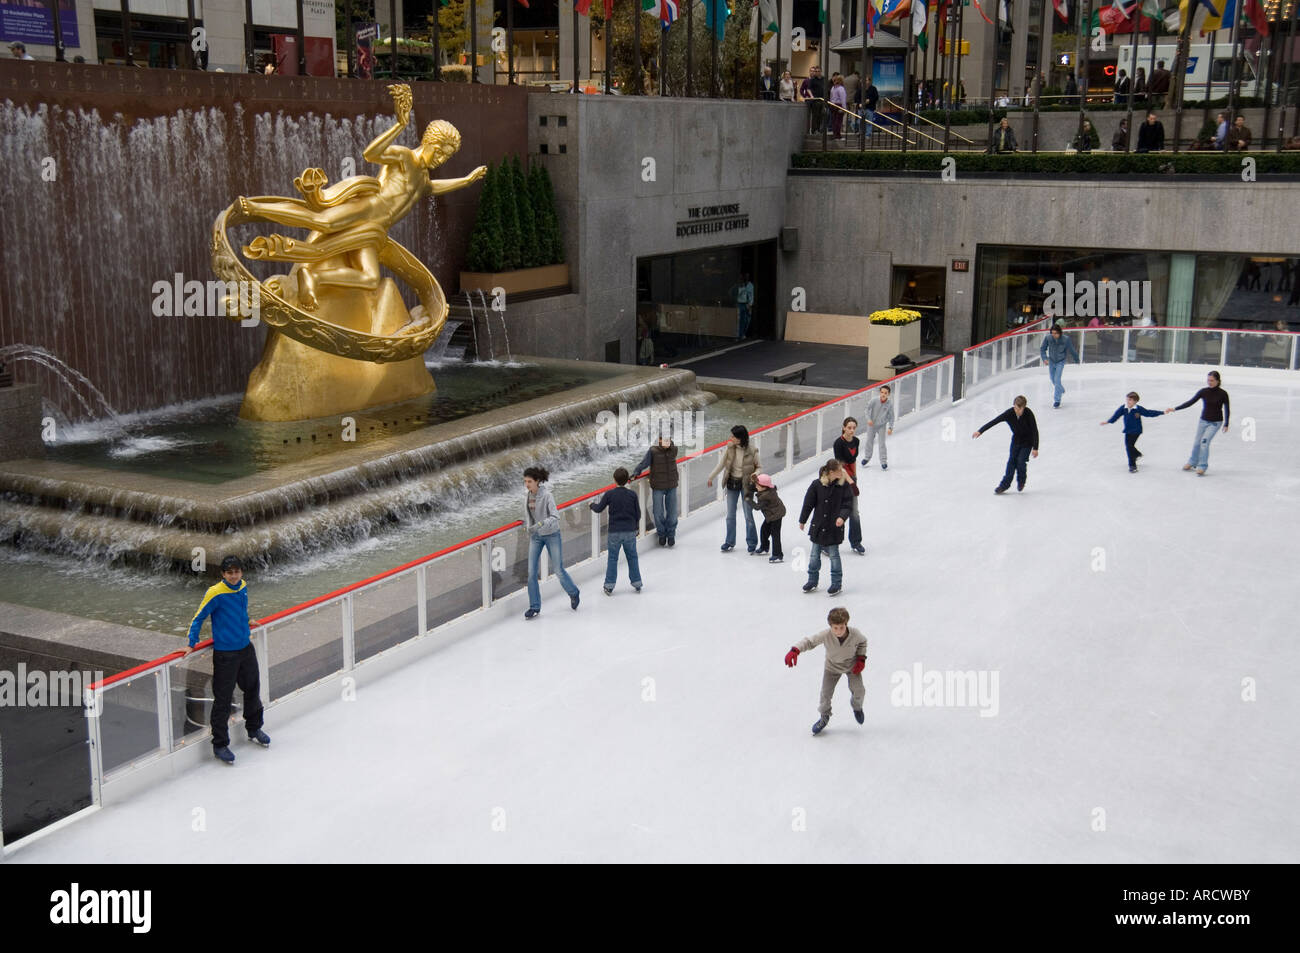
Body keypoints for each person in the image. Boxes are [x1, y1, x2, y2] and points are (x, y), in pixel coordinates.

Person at [238, 85, 486, 310]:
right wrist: (400, 125)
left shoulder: (422, 179)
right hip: (368, 208)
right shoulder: (404, 157)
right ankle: (253, 208)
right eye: (442, 151)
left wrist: (466, 181)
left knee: (369, 278)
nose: (442, 158)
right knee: (321, 221)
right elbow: (371, 153)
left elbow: (432, 188)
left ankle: (313, 278)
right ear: (430, 141)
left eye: (448, 156)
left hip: (375, 230)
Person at [184, 556, 269, 765]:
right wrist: (191, 643)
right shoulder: (215, 592)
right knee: (222, 699)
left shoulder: (243, 587)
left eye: (237, 572)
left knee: (252, 690)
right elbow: (198, 617)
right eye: (229, 572)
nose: (234, 576)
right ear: (223, 574)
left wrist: (246, 620)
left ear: (241, 573)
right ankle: (220, 744)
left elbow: (240, 609)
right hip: (225, 654)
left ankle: (254, 727)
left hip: (245, 648)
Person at [783, 606, 867, 735]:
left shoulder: (855, 634)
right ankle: (824, 716)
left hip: (852, 667)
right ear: (830, 626)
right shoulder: (826, 635)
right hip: (831, 668)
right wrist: (795, 650)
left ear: (846, 624)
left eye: (841, 627)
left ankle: (857, 707)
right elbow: (809, 642)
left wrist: (861, 659)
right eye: (835, 628)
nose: (838, 631)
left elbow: (863, 643)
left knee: (859, 690)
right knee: (825, 694)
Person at [522, 466, 580, 618]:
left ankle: (574, 593)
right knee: (531, 572)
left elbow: (555, 516)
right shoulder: (527, 496)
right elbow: (530, 515)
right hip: (536, 537)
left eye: (529, 481)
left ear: (537, 481)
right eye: (525, 481)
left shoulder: (547, 495)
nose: (527, 484)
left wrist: (540, 524)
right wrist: (528, 524)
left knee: (558, 569)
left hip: (552, 535)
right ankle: (534, 606)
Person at [797, 460, 853, 595]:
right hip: (818, 526)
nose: (842, 472)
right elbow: (808, 504)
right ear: (831, 472)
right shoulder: (817, 485)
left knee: (834, 555)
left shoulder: (843, 486)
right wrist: (802, 520)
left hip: (834, 527)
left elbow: (848, 504)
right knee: (814, 556)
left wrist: (842, 517)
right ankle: (812, 580)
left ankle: (836, 583)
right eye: (840, 470)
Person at [707, 425, 761, 552]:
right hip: (732, 483)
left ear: (740, 438)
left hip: (746, 485)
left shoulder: (752, 450)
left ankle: (752, 542)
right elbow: (721, 464)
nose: (730, 438)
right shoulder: (730, 448)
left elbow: (759, 467)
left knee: (748, 514)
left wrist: (755, 474)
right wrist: (711, 477)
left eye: (733, 436)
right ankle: (729, 541)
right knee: (730, 515)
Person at [589, 468, 642, 595]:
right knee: (632, 557)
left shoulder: (609, 494)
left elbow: (598, 509)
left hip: (614, 532)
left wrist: (591, 504)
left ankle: (609, 585)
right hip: (629, 531)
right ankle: (637, 583)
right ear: (626, 480)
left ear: (614, 480)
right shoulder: (632, 494)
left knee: (613, 559)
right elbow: (638, 514)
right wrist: (635, 527)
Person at [1166, 370, 1230, 476]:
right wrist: (1175, 408)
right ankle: (1192, 462)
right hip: (1203, 421)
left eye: (1212, 380)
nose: (1209, 382)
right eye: (1208, 380)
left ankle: (1202, 466)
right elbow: (1190, 402)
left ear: (1218, 381)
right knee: (1197, 443)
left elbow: (1227, 409)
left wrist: (1226, 423)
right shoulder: (1203, 391)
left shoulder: (1223, 394)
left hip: (1215, 422)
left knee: (1204, 443)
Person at [972, 395, 1040, 494]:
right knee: (1011, 462)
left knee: (1021, 461)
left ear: (1023, 407)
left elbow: (1034, 430)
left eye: (1019, 409)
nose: (1016, 410)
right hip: (1016, 441)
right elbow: (994, 421)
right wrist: (980, 431)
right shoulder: (1009, 413)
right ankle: (1004, 485)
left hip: (1027, 442)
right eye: (1015, 408)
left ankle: (1021, 481)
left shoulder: (1028, 413)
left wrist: (1035, 447)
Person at [631, 433, 679, 547]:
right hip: (658, 486)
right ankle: (662, 534)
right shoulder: (653, 451)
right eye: (665, 440)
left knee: (672, 513)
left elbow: (672, 451)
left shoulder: (674, 449)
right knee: (658, 513)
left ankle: (671, 535)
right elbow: (644, 463)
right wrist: (636, 472)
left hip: (672, 485)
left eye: (669, 440)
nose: (667, 442)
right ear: (660, 440)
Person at [1101, 391, 1166, 472]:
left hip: (1136, 431)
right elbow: (1116, 416)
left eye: (1130, 400)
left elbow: (1149, 413)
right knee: (1129, 446)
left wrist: (1162, 412)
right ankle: (1136, 455)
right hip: (1128, 431)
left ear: (1135, 401)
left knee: (1129, 447)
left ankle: (1132, 465)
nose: (1128, 401)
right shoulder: (1123, 408)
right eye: (1127, 399)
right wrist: (1108, 421)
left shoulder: (1138, 409)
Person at [831, 418, 866, 555]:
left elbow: (853, 460)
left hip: (851, 478)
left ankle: (856, 541)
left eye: (854, 428)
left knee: (854, 512)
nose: (852, 430)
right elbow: (840, 466)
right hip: (841, 479)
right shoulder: (838, 443)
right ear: (844, 428)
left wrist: (855, 478)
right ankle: (827, 542)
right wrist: (850, 481)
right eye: (849, 427)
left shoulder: (856, 441)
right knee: (836, 511)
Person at [1039, 325, 1081, 408]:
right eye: (1052, 333)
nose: (1054, 335)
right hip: (1051, 361)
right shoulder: (1048, 338)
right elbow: (1042, 349)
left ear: (1060, 333)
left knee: (1057, 379)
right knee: (1052, 379)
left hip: (1060, 361)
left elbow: (1072, 350)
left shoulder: (1066, 339)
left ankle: (1057, 400)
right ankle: (1061, 389)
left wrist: (1077, 359)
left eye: (1056, 333)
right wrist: (1044, 358)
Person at [749, 472, 787, 563]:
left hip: (776, 515)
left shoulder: (766, 496)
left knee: (775, 535)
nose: (756, 487)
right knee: (764, 530)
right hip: (771, 515)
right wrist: (752, 481)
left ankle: (778, 554)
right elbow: (754, 487)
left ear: (763, 486)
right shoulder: (766, 489)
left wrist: (748, 500)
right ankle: (764, 547)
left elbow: (757, 507)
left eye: (757, 485)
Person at [861, 383, 895, 470]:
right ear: (880, 393)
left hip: (881, 426)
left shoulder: (889, 404)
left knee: (882, 443)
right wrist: (868, 419)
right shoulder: (874, 400)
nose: (883, 394)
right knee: (869, 441)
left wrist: (890, 427)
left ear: (888, 394)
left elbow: (891, 416)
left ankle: (883, 461)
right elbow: (866, 409)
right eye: (882, 392)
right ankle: (867, 458)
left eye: (885, 393)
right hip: (871, 425)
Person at [801, 66, 826, 134]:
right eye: (816, 71)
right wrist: (811, 96)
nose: (817, 73)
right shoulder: (812, 80)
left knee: (821, 115)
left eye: (818, 71)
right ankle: (814, 130)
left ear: (821, 72)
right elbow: (808, 89)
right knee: (815, 115)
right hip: (815, 100)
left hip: (822, 99)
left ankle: (819, 129)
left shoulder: (824, 79)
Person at [734, 272, 755, 338]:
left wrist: (750, 304)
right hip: (740, 304)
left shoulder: (750, 285)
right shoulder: (739, 285)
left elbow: (751, 295)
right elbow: (732, 292)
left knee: (747, 320)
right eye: (745, 276)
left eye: (747, 276)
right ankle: (740, 334)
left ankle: (743, 333)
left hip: (747, 304)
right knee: (740, 320)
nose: (746, 277)